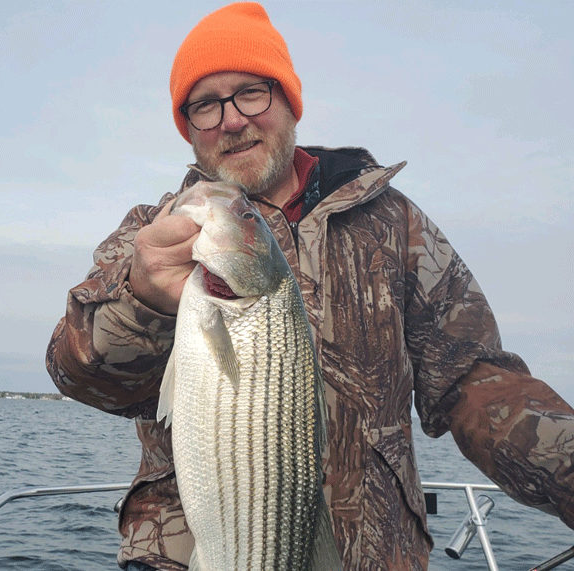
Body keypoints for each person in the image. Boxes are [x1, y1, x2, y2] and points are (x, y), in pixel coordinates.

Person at [46, 3, 574, 570]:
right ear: (189, 128)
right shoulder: (153, 232)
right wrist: (142, 301)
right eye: (205, 105)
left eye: (251, 92)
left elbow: (478, 384)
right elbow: (77, 372)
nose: (231, 120)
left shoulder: (395, 223)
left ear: (289, 100)